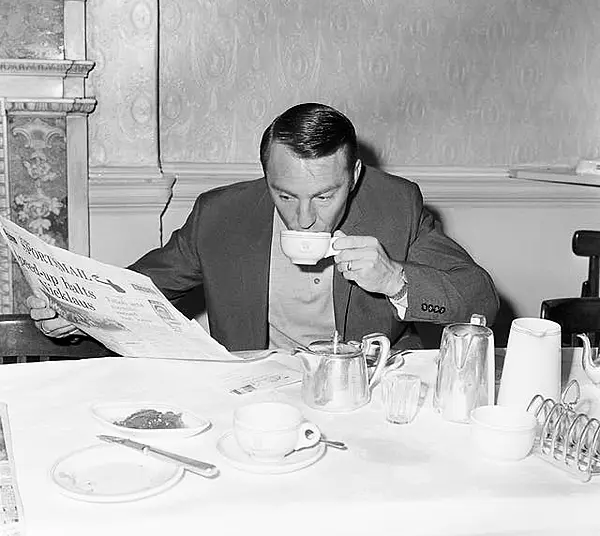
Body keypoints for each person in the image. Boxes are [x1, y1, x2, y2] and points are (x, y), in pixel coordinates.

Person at [28, 102, 499, 351]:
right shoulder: (221, 215)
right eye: (285, 195)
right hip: (253, 397)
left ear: (354, 178)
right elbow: (139, 291)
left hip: (364, 393)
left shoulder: (396, 204)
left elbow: (481, 300)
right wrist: (76, 315)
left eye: (325, 195)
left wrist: (395, 278)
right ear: (266, 178)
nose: (304, 217)